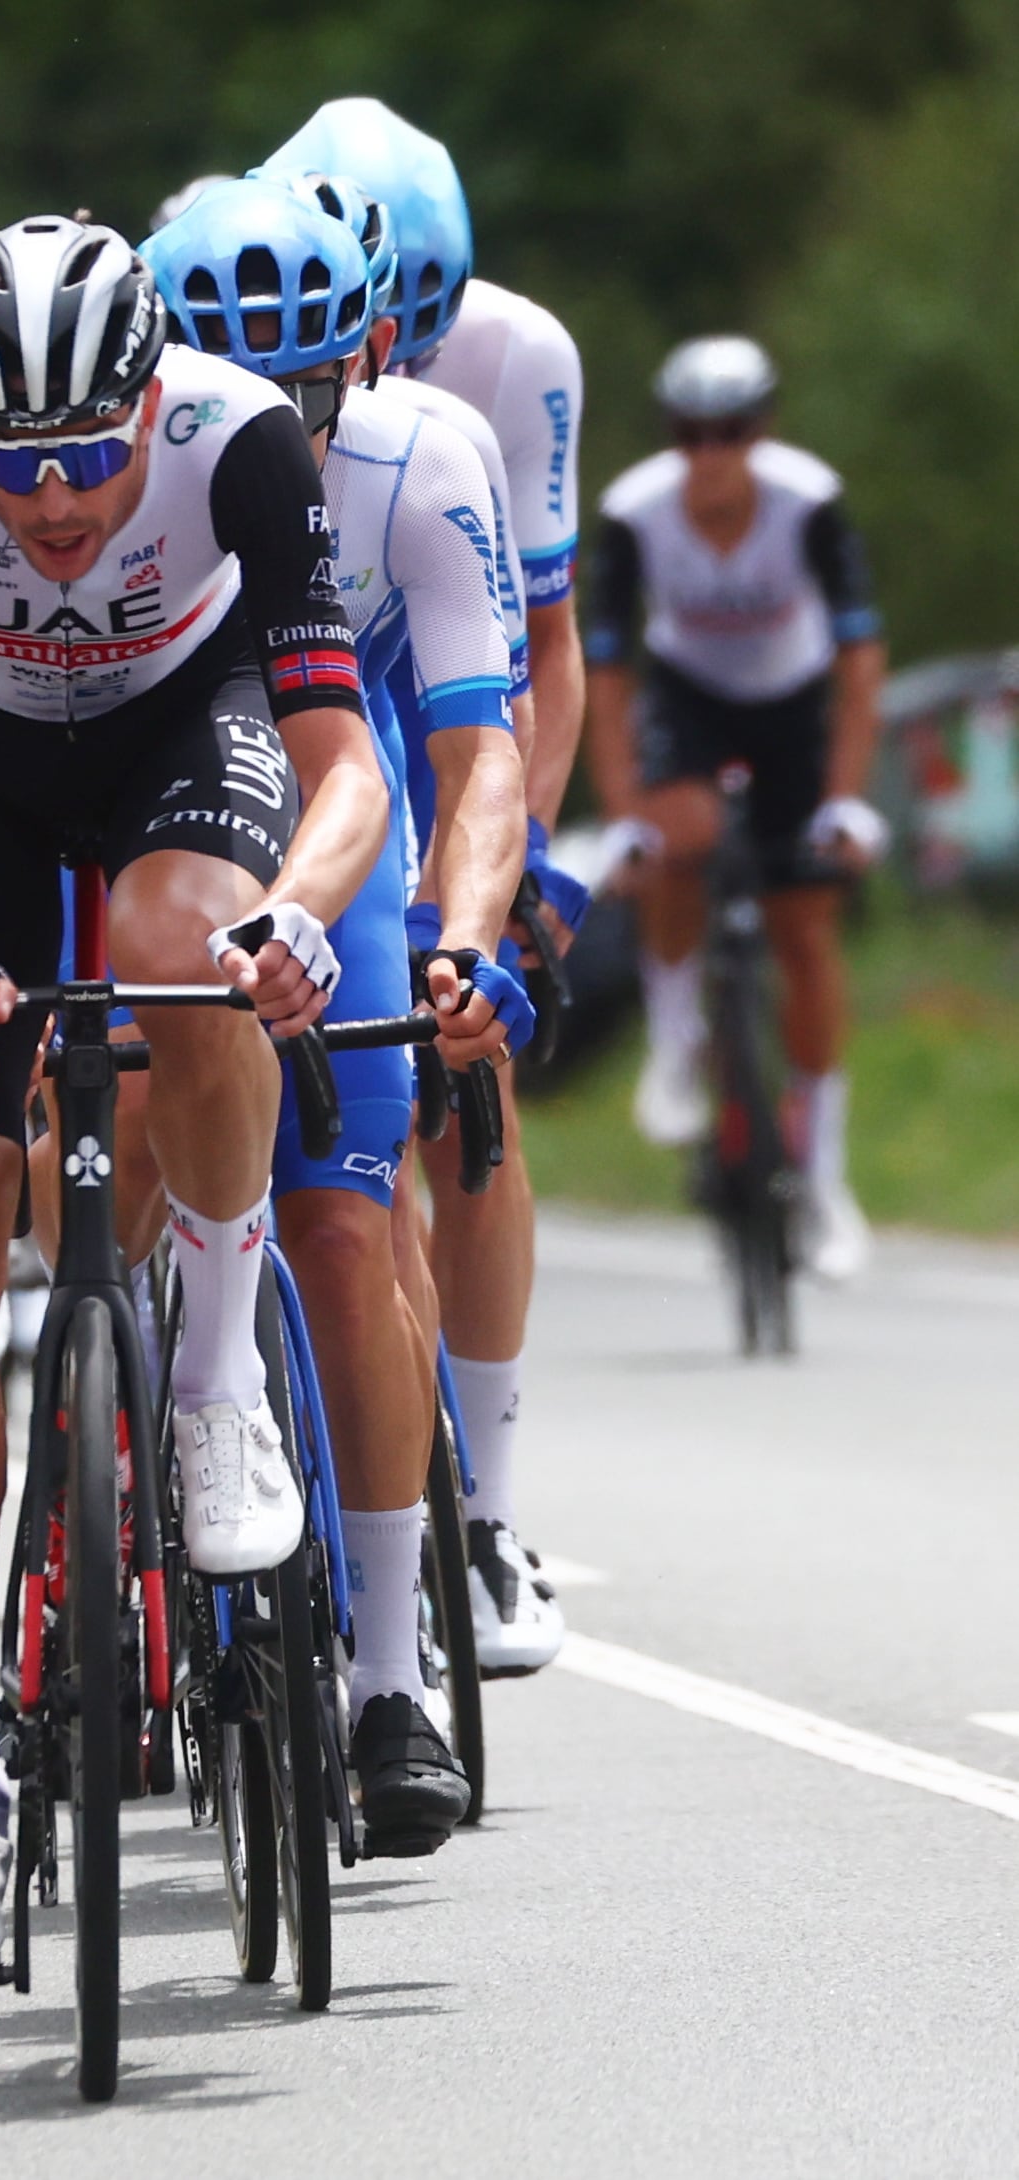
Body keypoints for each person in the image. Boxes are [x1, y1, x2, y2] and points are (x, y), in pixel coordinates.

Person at [0, 216, 388, 1972]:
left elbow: (343, 759)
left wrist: (304, 910)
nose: (51, 504)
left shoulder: (241, 441)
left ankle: (208, 1384)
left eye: (85, 458)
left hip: (175, 736)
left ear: (151, 405)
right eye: (16, 466)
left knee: (192, 943)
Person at [145, 177, 533, 1855]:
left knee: (347, 1219)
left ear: (361, 362)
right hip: (157, 760)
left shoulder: (426, 457)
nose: (274, 432)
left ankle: (389, 1672)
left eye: (302, 392)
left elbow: (477, 752)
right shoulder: (122, 463)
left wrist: (466, 936)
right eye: (234, 388)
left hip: (335, 783)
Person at [267, 94, 592, 1678]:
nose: (399, 341)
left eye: (427, 313)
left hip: (416, 688)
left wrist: (516, 859)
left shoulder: (512, 363)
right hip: (278, 703)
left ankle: (487, 1509)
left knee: (467, 1061)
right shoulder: (247, 313)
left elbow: (541, 648)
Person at [588, 335, 885, 1273]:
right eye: (692, 432)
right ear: (672, 437)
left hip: (792, 703)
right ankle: (675, 1041)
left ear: (761, 432)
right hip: (692, 698)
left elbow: (861, 661)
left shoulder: (810, 500)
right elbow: (606, 669)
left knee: (805, 931)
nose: (712, 452)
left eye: (733, 431)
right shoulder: (635, 512)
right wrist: (628, 805)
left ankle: (826, 1175)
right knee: (683, 836)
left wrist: (844, 802)